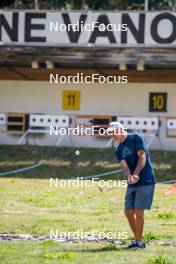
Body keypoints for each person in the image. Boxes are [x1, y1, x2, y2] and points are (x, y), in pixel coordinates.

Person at [107, 121, 156, 250]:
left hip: (145, 180)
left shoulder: (135, 138)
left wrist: (136, 174)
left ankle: (138, 243)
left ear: (121, 130)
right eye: (110, 134)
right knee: (128, 212)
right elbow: (124, 166)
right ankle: (138, 240)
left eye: (113, 133)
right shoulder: (118, 150)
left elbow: (142, 157)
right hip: (132, 182)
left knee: (139, 211)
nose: (113, 136)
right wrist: (129, 175)